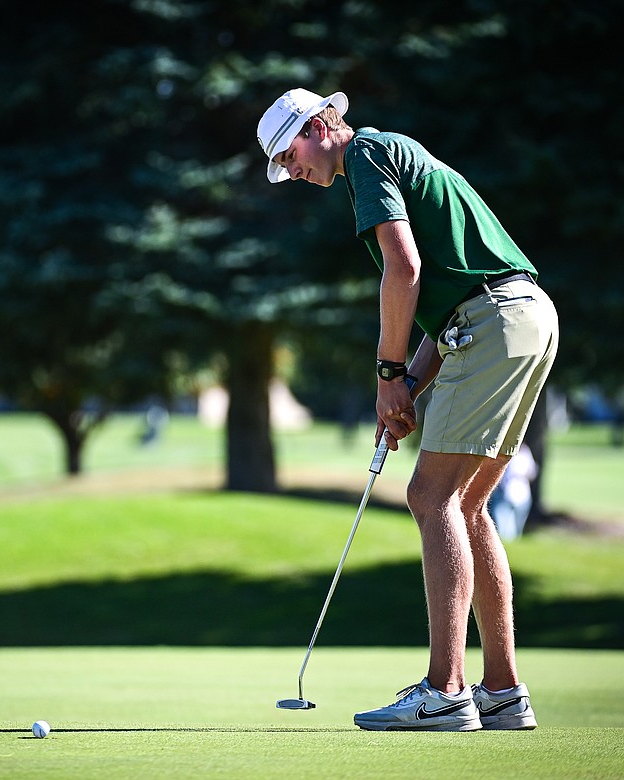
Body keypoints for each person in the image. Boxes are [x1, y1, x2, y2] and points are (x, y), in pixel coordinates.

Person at [257, 88, 558, 732]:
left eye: (292, 154)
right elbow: (443, 314)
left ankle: (445, 691)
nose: (295, 171)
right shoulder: (390, 154)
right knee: (467, 505)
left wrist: (388, 373)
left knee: (430, 499)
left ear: (318, 126)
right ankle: (502, 691)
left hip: (494, 322)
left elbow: (405, 269)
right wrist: (405, 389)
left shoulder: (366, 153)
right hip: (523, 316)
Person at [487, 442, 537, 541]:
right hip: (506, 495)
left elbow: (532, 473)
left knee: (515, 530)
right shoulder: (505, 451)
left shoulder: (524, 451)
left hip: (521, 494)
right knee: (506, 530)